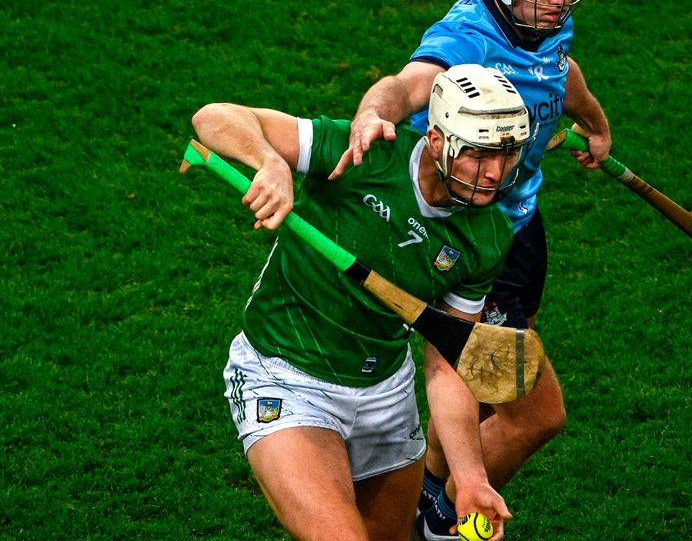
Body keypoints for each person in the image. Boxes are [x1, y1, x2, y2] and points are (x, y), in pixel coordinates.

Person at [327, 0, 612, 539]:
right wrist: (375, 113)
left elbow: (558, 70)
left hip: (520, 228)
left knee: (479, 388)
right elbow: (405, 85)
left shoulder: (543, 23)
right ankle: (442, 510)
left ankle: (430, 489)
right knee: (536, 416)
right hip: (473, 240)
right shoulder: (466, 40)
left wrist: (592, 120)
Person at [191, 64, 532, 541]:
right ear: (436, 141)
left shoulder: (489, 236)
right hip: (286, 378)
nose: (495, 172)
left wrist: (470, 479)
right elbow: (214, 117)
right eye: (477, 154)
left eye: (508, 153)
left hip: (387, 398)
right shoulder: (363, 155)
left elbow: (445, 364)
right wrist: (270, 161)